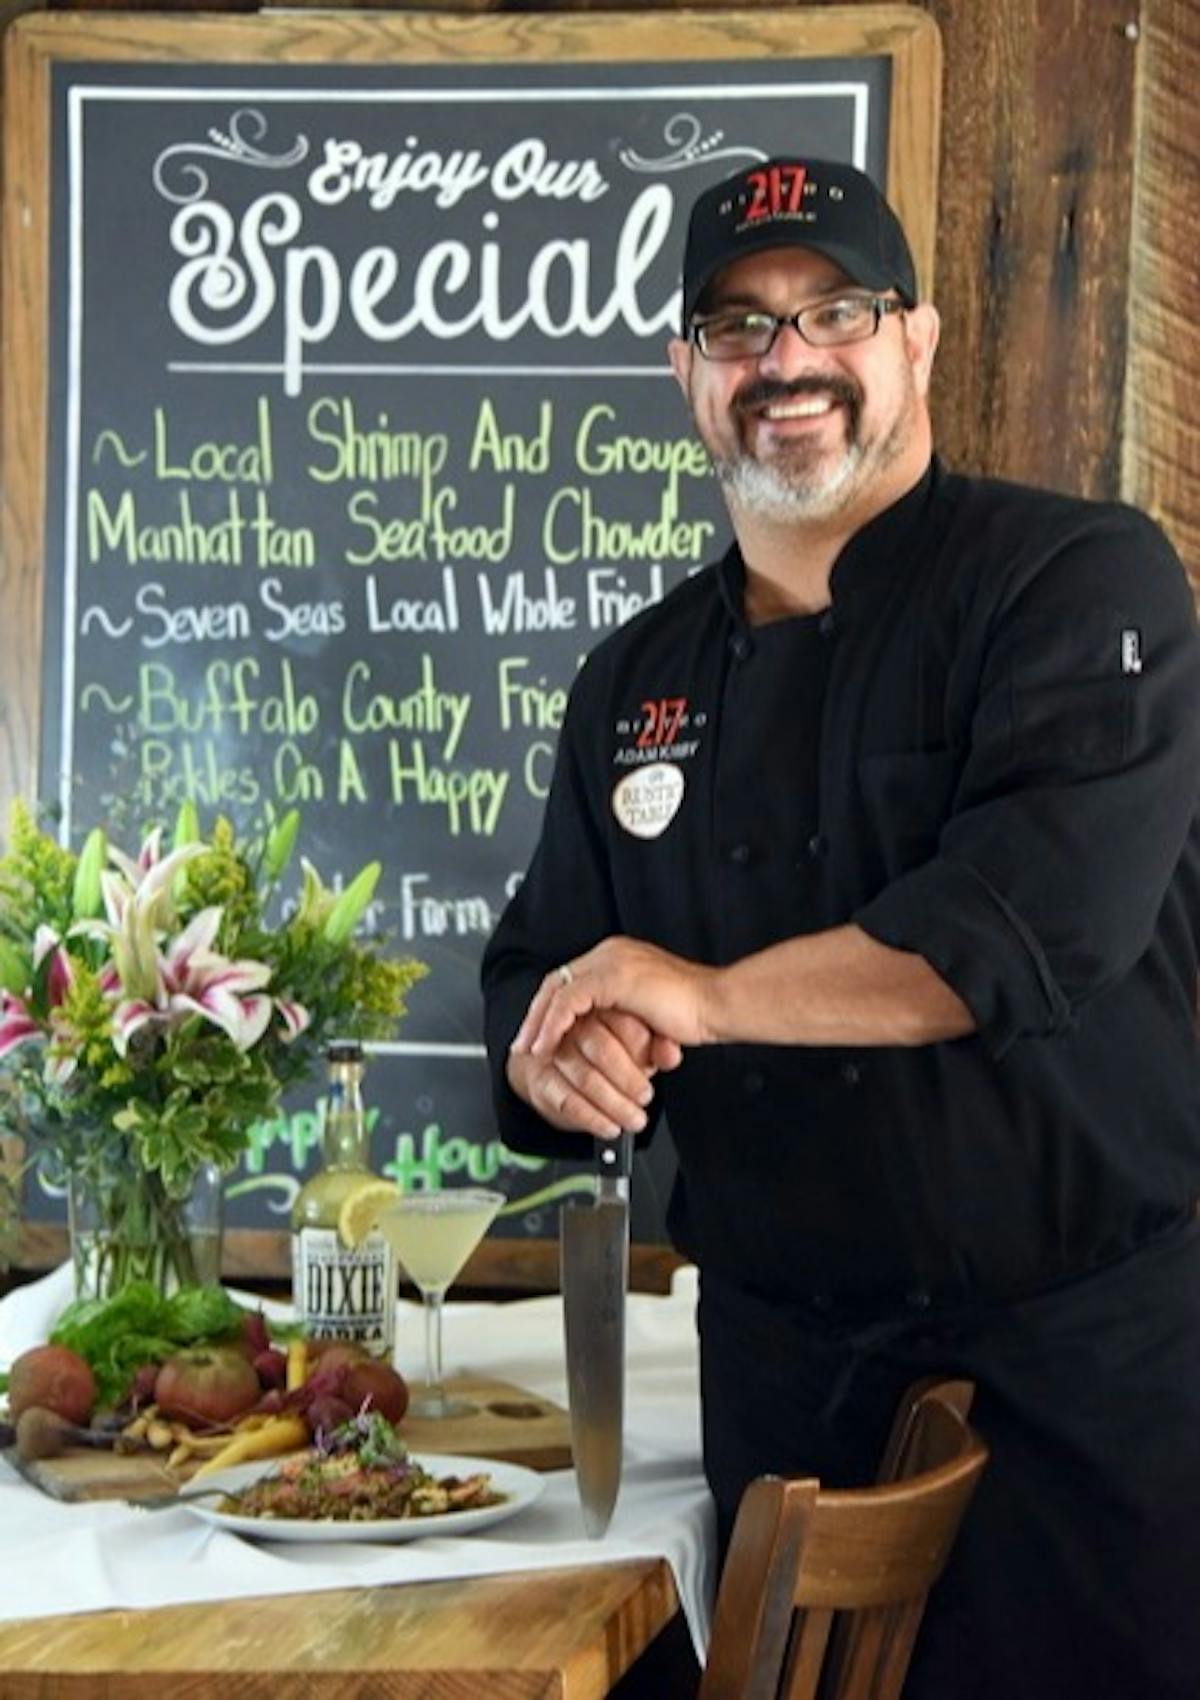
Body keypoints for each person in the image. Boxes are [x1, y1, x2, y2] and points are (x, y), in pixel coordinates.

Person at [481, 155, 1200, 1700]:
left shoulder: (1077, 584)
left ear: (916, 344)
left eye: (834, 313)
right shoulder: (633, 685)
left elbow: (1015, 938)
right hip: (787, 1395)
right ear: (686, 372)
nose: (785, 362)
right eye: (737, 328)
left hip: (1085, 1388)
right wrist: (558, 1060)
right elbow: (537, 968)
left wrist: (703, 994)